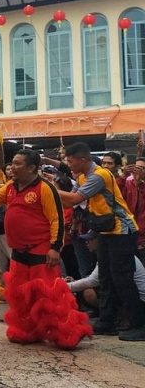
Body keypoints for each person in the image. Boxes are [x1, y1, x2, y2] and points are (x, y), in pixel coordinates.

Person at [0, 149, 92, 349]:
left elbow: (56, 219)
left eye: (17, 164)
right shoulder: (9, 187)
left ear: (32, 168)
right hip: (18, 251)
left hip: (41, 250)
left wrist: (54, 248)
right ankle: (27, 331)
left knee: (50, 296)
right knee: (22, 296)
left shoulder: (45, 188)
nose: (12, 168)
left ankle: (68, 334)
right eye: (12, 163)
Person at [56, 142, 145, 341]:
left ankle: (139, 323)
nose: (68, 165)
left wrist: (46, 189)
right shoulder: (82, 176)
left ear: (83, 160)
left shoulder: (99, 175)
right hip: (105, 230)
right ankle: (107, 321)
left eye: (70, 161)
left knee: (122, 277)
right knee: (105, 276)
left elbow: (72, 199)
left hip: (122, 230)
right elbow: (72, 198)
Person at [67, 231, 145, 317]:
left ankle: (121, 315)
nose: (87, 242)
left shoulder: (113, 253)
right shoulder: (108, 252)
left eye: (91, 239)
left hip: (139, 301)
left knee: (89, 292)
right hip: (135, 297)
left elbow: (92, 281)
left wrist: (65, 286)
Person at [123, 157, 145, 264]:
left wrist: (140, 183)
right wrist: (124, 176)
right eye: (136, 168)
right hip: (129, 236)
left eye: (142, 168)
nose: (138, 171)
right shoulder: (127, 184)